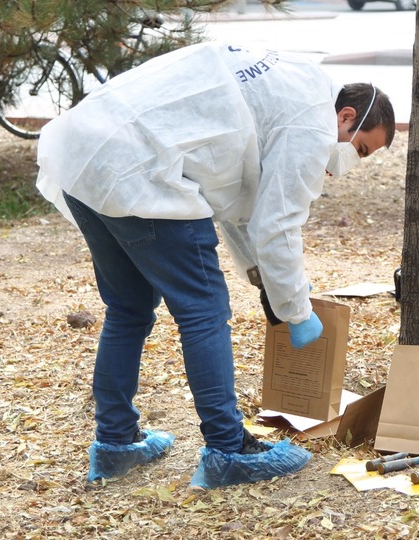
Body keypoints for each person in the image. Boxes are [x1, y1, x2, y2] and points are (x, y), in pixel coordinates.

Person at [35, 41, 396, 489]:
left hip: (83, 152)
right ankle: (228, 450)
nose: (347, 165)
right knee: (204, 310)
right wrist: (297, 310)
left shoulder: (291, 81)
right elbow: (278, 223)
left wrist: (265, 282)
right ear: (345, 117)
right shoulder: (311, 123)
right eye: (360, 149)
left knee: (128, 309)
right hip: (142, 166)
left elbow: (243, 208)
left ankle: (115, 444)